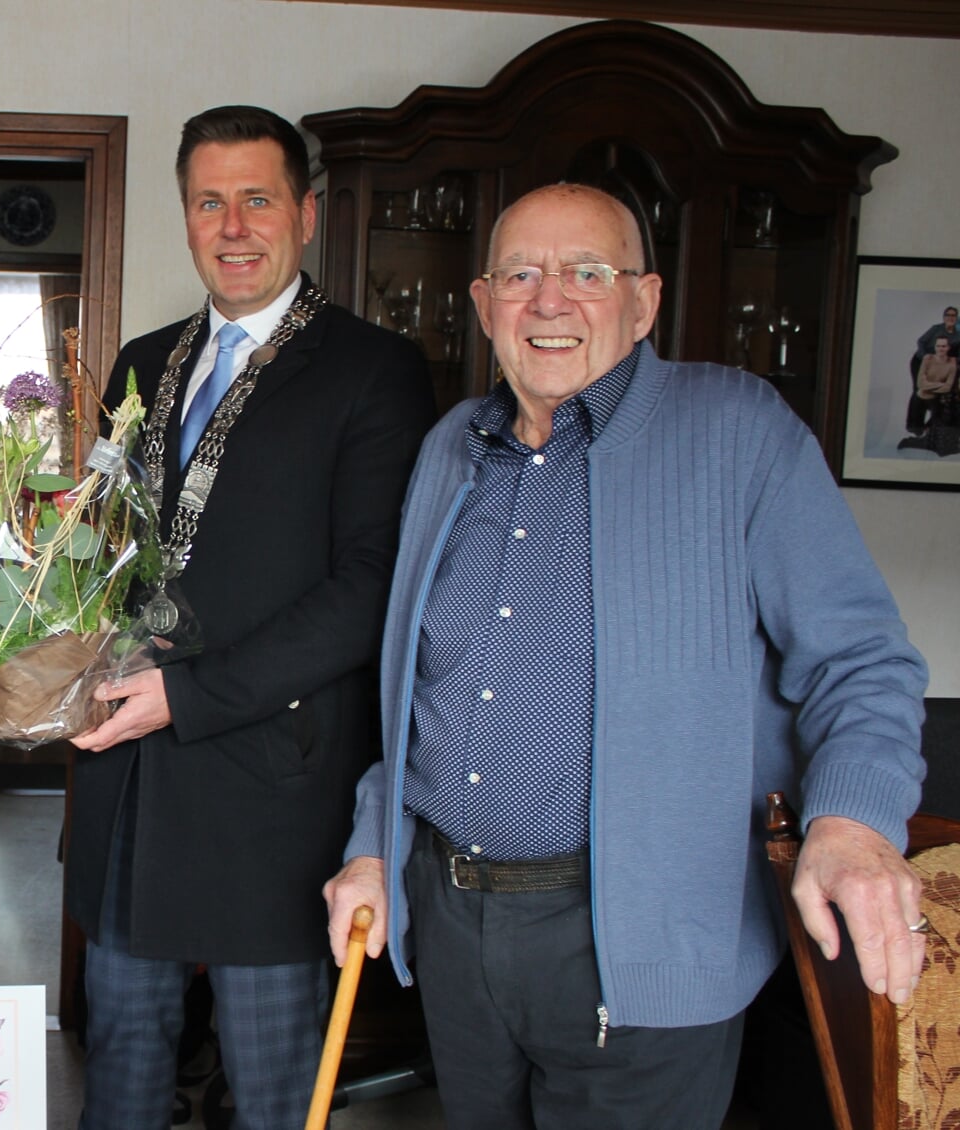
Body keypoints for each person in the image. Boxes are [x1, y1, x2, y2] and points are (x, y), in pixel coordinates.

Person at [324, 183, 928, 1129]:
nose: (550, 300)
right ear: (485, 305)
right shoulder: (449, 448)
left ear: (643, 302)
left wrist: (853, 825)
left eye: (587, 273)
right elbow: (415, 697)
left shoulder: (740, 431)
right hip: (451, 926)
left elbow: (862, 662)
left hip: (642, 942)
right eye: (521, 274)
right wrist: (372, 851)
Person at [65, 105, 435, 1129]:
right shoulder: (142, 362)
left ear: (305, 214)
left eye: (257, 199)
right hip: (128, 784)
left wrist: (185, 694)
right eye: (209, 201)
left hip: (273, 792)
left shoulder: (374, 369)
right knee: (123, 1067)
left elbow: (371, 587)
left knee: (274, 1089)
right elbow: (102, 559)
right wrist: (5, 639)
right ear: (185, 217)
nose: (233, 225)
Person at [908, 333, 957, 438]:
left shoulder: (952, 363)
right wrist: (939, 385)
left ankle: (934, 430)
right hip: (927, 395)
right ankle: (919, 429)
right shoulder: (927, 359)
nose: (940, 348)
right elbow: (921, 383)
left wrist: (930, 386)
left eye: (943, 346)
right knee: (920, 395)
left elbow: (947, 386)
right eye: (938, 346)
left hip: (938, 395)